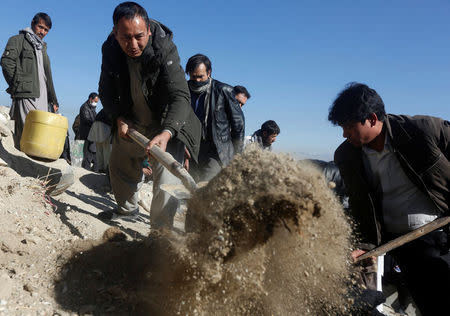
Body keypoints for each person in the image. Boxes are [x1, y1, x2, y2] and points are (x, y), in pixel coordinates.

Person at [328, 82, 450, 316]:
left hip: (437, 238)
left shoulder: (422, 131)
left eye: (349, 127)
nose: (345, 134)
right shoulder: (346, 156)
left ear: (372, 119)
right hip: (398, 245)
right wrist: (364, 244)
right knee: (427, 304)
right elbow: (359, 205)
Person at [98, 2, 201, 228]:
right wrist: (118, 117)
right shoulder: (111, 49)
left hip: (166, 123)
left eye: (139, 36)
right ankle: (127, 212)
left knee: (166, 181)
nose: (133, 44)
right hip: (133, 124)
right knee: (119, 163)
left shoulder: (164, 48)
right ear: (116, 33)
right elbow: (105, 90)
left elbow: (180, 95)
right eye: (126, 37)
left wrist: (167, 132)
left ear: (149, 32)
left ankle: (159, 233)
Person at [1, 12, 58, 149]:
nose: (42, 32)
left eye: (46, 30)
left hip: (42, 96)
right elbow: (7, 62)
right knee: (28, 130)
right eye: (40, 27)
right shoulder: (18, 40)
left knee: (39, 133)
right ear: (33, 23)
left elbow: (48, 77)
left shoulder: (42, 48)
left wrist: (53, 100)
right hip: (26, 93)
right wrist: (17, 85)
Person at [185, 54, 245, 181]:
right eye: (193, 76)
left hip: (216, 149)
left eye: (201, 76)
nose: (197, 81)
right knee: (190, 185)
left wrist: (237, 156)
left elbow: (238, 125)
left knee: (207, 184)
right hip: (191, 148)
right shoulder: (184, 90)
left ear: (209, 72)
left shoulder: (224, 90)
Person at [87, 108, 112, 174]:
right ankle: (107, 169)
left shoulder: (108, 106)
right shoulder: (117, 106)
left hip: (96, 125)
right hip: (105, 125)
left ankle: (101, 168)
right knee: (107, 149)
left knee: (99, 148)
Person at [79, 92, 99, 171]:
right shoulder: (85, 107)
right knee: (88, 154)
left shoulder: (92, 108)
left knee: (94, 153)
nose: (96, 103)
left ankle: (95, 169)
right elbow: (87, 120)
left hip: (92, 134)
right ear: (91, 99)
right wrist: (95, 122)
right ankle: (86, 170)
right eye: (95, 101)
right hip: (86, 133)